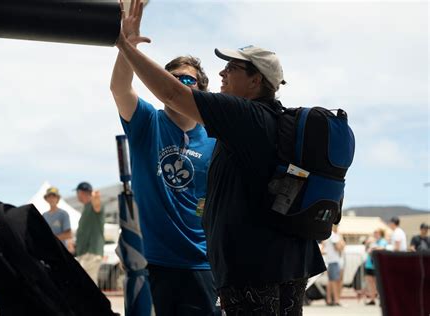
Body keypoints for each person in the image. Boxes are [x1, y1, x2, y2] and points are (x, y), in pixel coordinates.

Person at [114, 1, 326, 314]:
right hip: (287, 261)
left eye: (233, 68)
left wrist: (121, 42)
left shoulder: (243, 116)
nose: (223, 72)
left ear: (256, 82)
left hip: (254, 268)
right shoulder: (277, 121)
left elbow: (172, 95)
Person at [110, 3, 217, 315]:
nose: (178, 85)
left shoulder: (215, 137)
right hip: (156, 261)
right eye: (171, 79)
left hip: (204, 262)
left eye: (187, 80)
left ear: (201, 90)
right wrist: (127, 45)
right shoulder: (147, 121)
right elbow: (119, 88)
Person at [74, 181, 105, 284]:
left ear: (81, 192)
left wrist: (95, 198)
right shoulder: (86, 207)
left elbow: (97, 206)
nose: (76, 195)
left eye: (77, 193)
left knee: (89, 284)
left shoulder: (93, 204)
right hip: (85, 253)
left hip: (92, 252)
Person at [322, 225, 345, 306]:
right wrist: (341, 241)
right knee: (335, 281)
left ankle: (329, 299)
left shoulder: (329, 235)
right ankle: (336, 300)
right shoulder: (333, 235)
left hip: (331, 260)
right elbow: (339, 248)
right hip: (334, 260)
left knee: (331, 281)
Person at [363, 228, 387, 305]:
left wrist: (373, 247)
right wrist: (368, 244)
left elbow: (382, 248)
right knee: (370, 283)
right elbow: (366, 250)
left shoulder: (382, 241)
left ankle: (381, 300)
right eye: (374, 232)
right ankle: (372, 299)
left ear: (381, 233)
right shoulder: (373, 241)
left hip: (377, 265)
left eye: (377, 232)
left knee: (378, 283)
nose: (375, 234)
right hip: (369, 264)